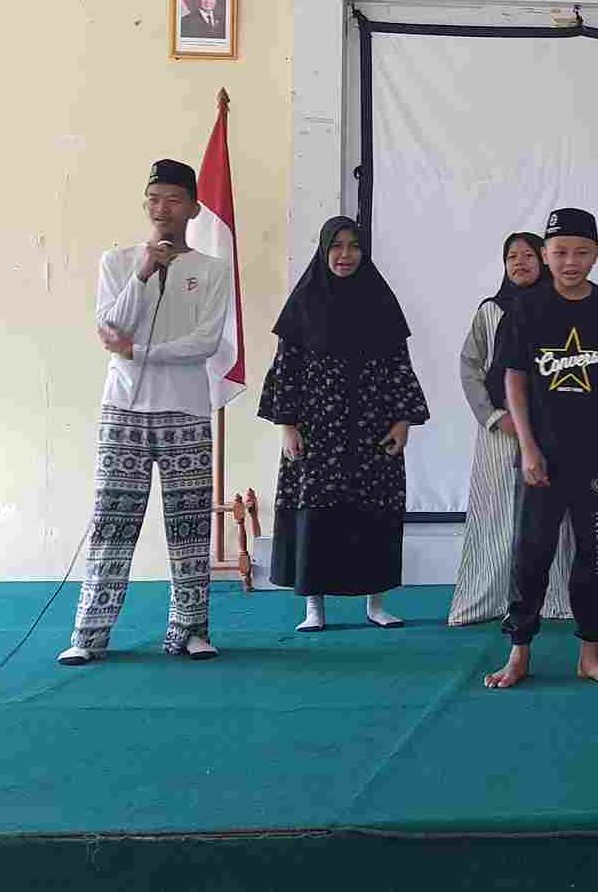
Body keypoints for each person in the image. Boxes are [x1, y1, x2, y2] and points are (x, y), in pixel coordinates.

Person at [58, 159, 231, 666]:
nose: (162, 209)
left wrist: (137, 351)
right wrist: (143, 273)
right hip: (124, 409)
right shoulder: (117, 262)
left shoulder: (212, 270)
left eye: (174, 199)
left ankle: (191, 631)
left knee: (189, 525)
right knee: (112, 521)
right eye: (154, 199)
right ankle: (89, 635)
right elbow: (110, 328)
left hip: (186, 409)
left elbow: (204, 343)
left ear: (193, 208)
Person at [484, 208, 598, 689]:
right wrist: (528, 446)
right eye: (559, 252)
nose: (570, 262)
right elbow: (513, 379)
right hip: (544, 457)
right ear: (545, 255)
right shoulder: (526, 307)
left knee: (596, 556)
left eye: (580, 252)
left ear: (596, 255)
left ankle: (590, 654)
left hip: (597, 457)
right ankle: (519, 652)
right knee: (531, 553)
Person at [260, 217, 430, 632]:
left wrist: (403, 421)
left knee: (375, 513)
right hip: (317, 432)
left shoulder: (381, 301)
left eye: (354, 246)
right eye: (336, 246)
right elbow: (286, 370)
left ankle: (376, 603)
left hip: (373, 430)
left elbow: (399, 367)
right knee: (316, 517)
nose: (345, 255)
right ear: (324, 250)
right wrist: (287, 426)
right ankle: (314, 608)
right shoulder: (304, 303)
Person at [448, 232, 576, 627]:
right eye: (511, 257)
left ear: (543, 260)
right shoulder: (490, 311)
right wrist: (492, 416)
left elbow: (571, 367)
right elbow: (471, 368)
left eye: (527, 255)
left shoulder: (561, 308)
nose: (519, 263)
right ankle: (486, 600)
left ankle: (553, 599)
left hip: (550, 430)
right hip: (499, 428)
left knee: (551, 514)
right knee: (496, 511)